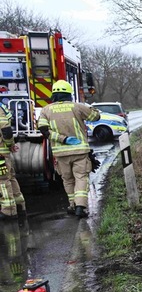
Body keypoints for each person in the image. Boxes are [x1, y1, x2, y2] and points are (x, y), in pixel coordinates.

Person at [36, 80, 100, 218]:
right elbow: (96, 116)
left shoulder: (46, 110)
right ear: (69, 94)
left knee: (68, 180)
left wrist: (62, 139)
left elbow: (43, 130)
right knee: (81, 177)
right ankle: (81, 207)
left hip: (60, 153)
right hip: (80, 151)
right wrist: (91, 108)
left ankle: (72, 205)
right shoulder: (77, 106)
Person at [0, 102, 26, 218]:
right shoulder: (1, 107)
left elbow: (6, 129)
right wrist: (10, 144)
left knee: (2, 181)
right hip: (3, 151)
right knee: (10, 178)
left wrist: (10, 143)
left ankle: (8, 211)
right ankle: (19, 205)